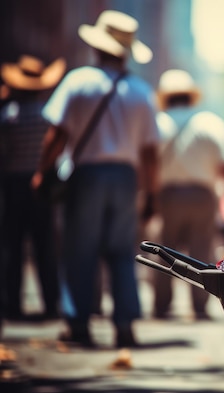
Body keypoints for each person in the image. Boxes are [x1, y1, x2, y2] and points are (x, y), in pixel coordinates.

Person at [31, 10, 160, 348]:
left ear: (98, 47)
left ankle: (78, 324)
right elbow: (149, 152)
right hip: (125, 178)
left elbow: (56, 135)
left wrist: (42, 171)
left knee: (80, 250)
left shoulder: (78, 81)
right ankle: (125, 325)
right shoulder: (141, 91)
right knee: (121, 252)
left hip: (86, 175)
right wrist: (151, 194)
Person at [152, 69, 224, 320]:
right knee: (201, 249)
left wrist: (147, 197)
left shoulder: (158, 123)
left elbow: (146, 163)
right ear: (191, 96)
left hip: (167, 196)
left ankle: (161, 304)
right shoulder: (210, 123)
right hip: (203, 195)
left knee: (163, 250)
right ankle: (200, 305)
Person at [0, 55, 65, 321]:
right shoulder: (47, 115)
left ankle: (11, 304)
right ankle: (51, 303)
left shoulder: (7, 115)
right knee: (45, 246)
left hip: (14, 184)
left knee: (12, 247)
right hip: (42, 185)